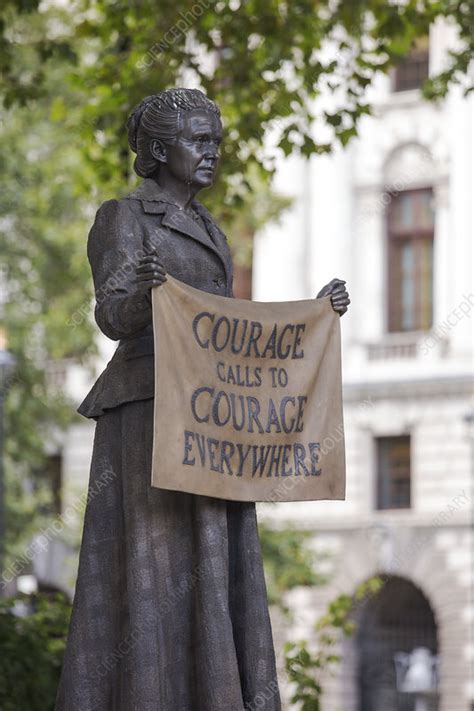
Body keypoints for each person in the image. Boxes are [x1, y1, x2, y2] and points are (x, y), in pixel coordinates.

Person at [55, 88, 350, 711]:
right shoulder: (123, 217)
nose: (212, 152)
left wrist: (312, 316)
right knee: (151, 570)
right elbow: (114, 317)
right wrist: (139, 293)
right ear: (159, 151)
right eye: (198, 140)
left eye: (215, 140)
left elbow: (225, 333)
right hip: (150, 416)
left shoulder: (214, 230)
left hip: (210, 427)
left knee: (216, 566)